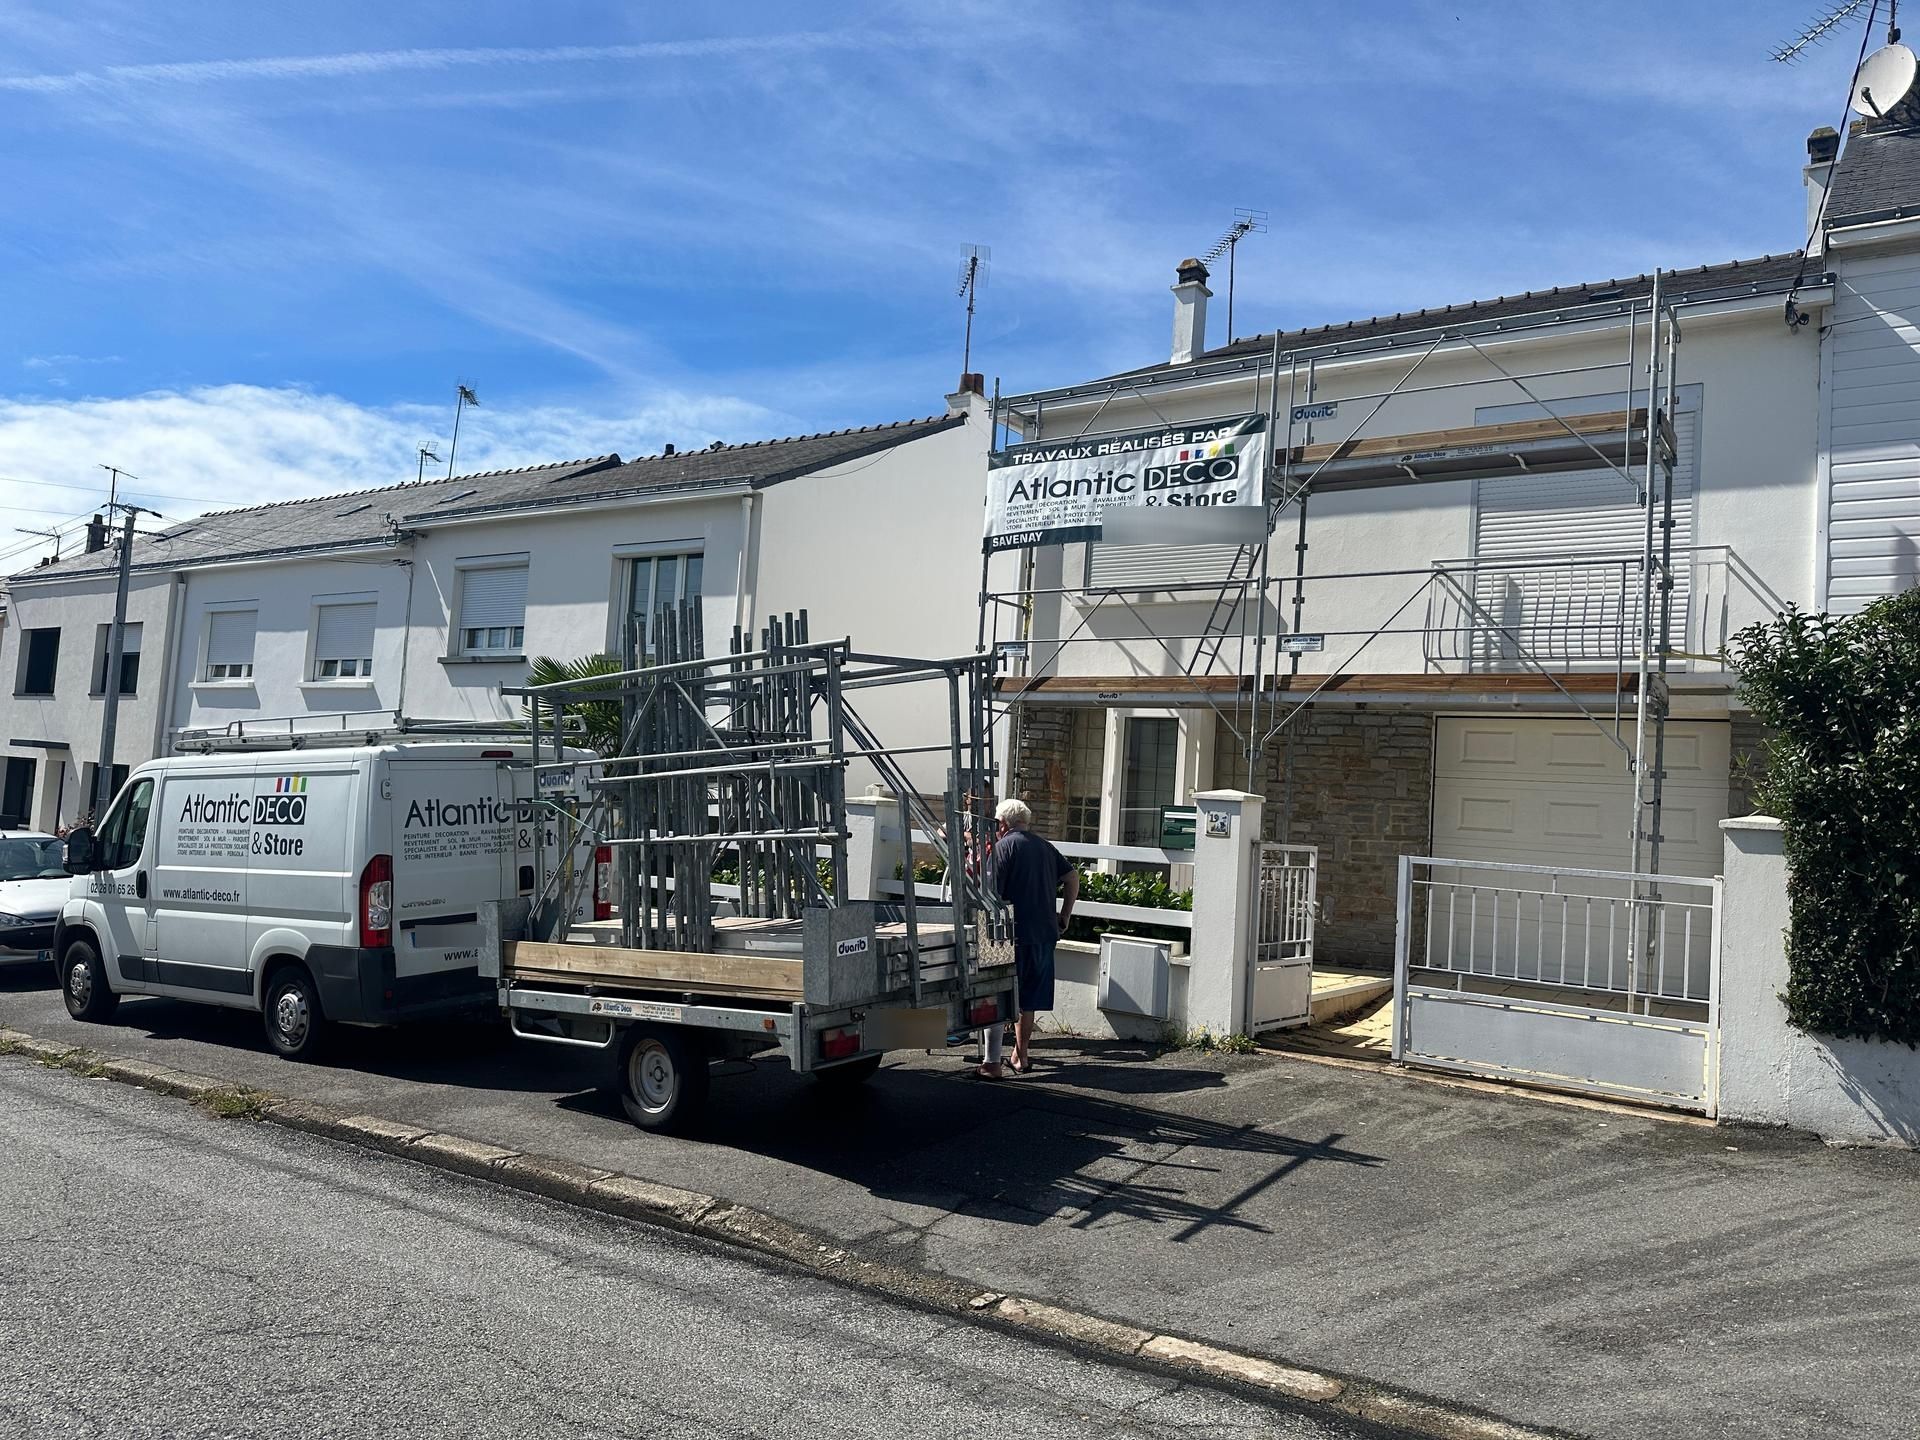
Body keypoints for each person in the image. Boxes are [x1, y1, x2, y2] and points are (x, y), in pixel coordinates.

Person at [979, 797, 1078, 1079]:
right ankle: (1021, 1056)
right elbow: (1072, 877)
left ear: (1001, 824)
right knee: (1028, 1000)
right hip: (1044, 932)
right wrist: (1065, 914)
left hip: (1007, 933)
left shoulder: (1004, 847)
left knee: (996, 993)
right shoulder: (1045, 847)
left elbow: (988, 893)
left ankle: (991, 1062)